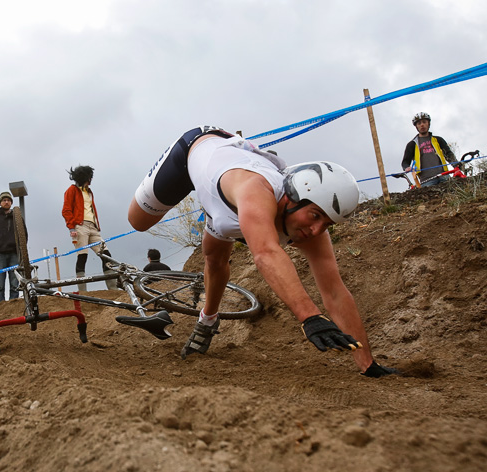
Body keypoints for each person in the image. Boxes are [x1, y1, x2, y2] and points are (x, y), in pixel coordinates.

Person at [128, 125, 396, 377]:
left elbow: (335, 291)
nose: (316, 230)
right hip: (193, 152)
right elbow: (266, 254)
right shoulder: (257, 190)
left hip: (228, 202)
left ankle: (206, 322)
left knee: (215, 258)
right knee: (138, 222)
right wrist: (310, 317)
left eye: (327, 223)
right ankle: (212, 200)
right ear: (292, 196)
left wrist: (367, 363)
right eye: (314, 216)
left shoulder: (312, 230)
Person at [61, 165, 117, 292]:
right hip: (80, 226)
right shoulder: (72, 190)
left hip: (94, 227)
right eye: (90, 177)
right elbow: (66, 210)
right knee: (82, 256)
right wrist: (71, 228)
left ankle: (113, 289)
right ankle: (82, 291)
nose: (91, 180)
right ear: (85, 178)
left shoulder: (89, 191)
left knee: (106, 255)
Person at [401, 112, 458, 187]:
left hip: (444, 176)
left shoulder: (438, 140)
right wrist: (407, 168)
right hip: (426, 180)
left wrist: (456, 165)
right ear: (416, 127)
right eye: (419, 123)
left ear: (428, 124)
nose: (422, 125)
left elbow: (448, 154)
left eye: (424, 122)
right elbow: (405, 162)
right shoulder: (412, 144)